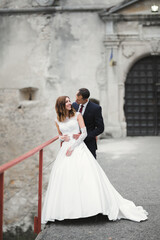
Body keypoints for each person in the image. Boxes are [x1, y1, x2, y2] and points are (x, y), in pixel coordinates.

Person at [41, 96, 148, 224]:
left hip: (78, 147)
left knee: (85, 177)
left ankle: (92, 208)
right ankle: (68, 210)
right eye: (67, 102)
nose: (70, 103)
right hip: (65, 149)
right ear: (61, 106)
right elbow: (59, 136)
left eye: (70, 101)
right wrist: (62, 138)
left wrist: (73, 147)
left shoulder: (78, 115)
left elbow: (84, 133)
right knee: (65, 177)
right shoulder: (57, 120)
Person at [72, 88, 104, 158]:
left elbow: (100, 128)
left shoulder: (96, 108)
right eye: (76, 98)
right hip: (74, 142)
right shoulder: (74, 105)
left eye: (78, 100)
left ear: (85, 100)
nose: (75, 101)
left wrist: (85, 136)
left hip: (89, 143)